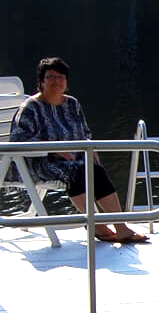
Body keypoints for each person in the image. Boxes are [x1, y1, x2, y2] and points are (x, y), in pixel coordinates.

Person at [10, 56, 148, 244]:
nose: (56, 82)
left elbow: (84, 133)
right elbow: (18, 141)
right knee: (77, 171)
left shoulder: (72, 104)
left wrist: (90, 148)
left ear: (66, 82)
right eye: (50, 77)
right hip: (38, 162)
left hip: (73, 159)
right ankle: (96, 224)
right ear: (41, 81)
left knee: (95, 170)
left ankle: (120, 227)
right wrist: (53, 150)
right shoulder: (30, 108)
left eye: (61, 77)